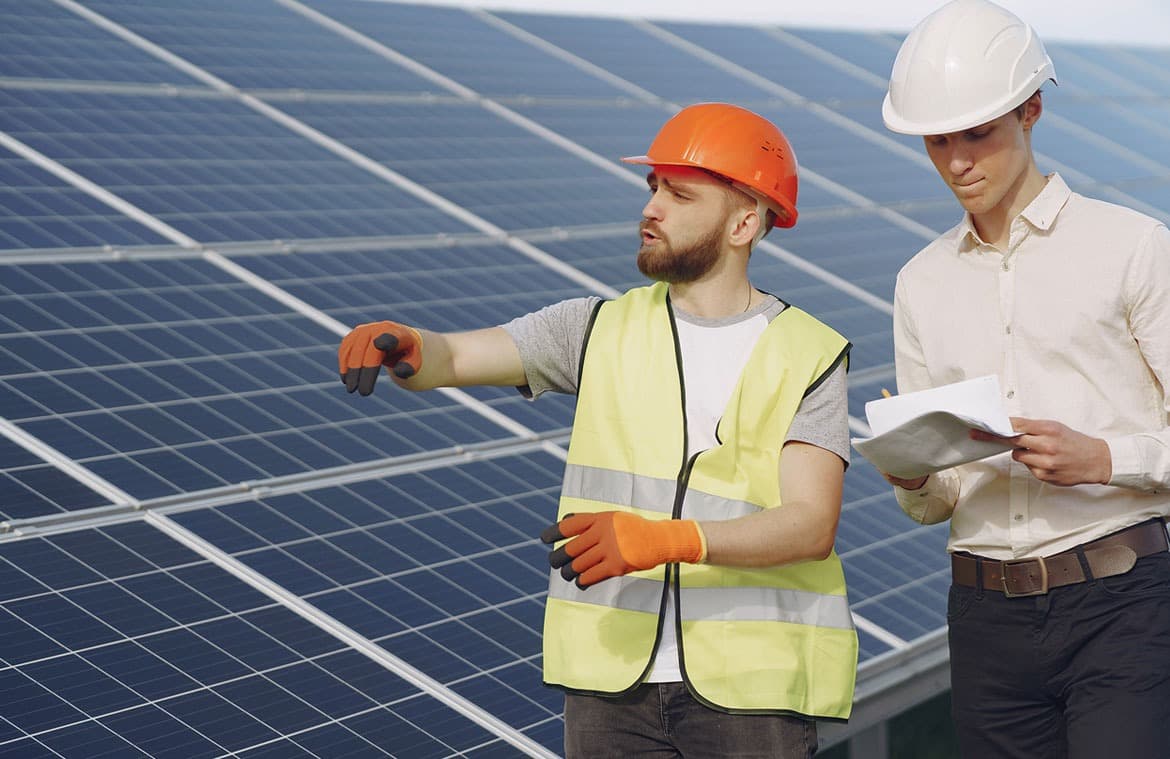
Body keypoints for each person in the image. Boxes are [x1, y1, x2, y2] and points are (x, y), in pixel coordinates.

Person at [339, 102, 857, 757]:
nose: (652, 208)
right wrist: (406, 344)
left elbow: (811, 523)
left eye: (679, 193)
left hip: (749, 692)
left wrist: (666, 538)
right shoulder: (595, 326)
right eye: (652, 189)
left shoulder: (806, 351)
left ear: (745, 221)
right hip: (610, 686)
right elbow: (456, 355)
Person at [880, 1, 1170, 756]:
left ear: (1031, 109)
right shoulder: (919, 284)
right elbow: (937, 503)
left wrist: (1105, 459)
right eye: (937, 140)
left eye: (978, 132)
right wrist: (911, 474)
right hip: (984, 624)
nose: (957, 161)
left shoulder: (1134, 248)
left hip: (1123, 605)